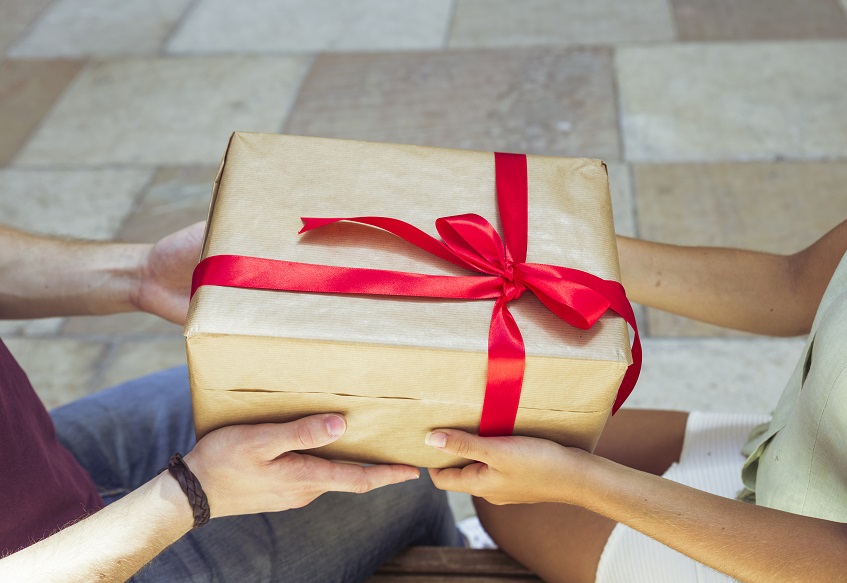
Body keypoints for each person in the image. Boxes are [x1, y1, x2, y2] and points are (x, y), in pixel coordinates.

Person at [0, 222, 459, 582]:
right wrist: (193, 493)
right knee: (391, 466)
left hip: (45, 457)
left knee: (299, 400)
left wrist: (142, 275)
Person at [425, 219, 847, 582]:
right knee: (508, 460)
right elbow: (794, 283)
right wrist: (553, 252)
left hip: (805, 560)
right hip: (791, 452)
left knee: (511, 490)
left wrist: (576, 480)